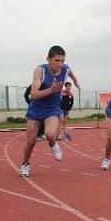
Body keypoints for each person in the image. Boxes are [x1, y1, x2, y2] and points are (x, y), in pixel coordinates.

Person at [19, 46, 80, 177]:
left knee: (50, 134)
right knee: (31, 141)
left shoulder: (65, 68)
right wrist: (51, 90)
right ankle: (25, 163)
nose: (60, 64)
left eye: (62, 61)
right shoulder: (40, 71)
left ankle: (53, 144)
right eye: (57, 60)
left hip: (52, 107)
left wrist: (76, 82)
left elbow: (71, 74)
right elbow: (33, 95)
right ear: (48, 59)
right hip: (36, 107)